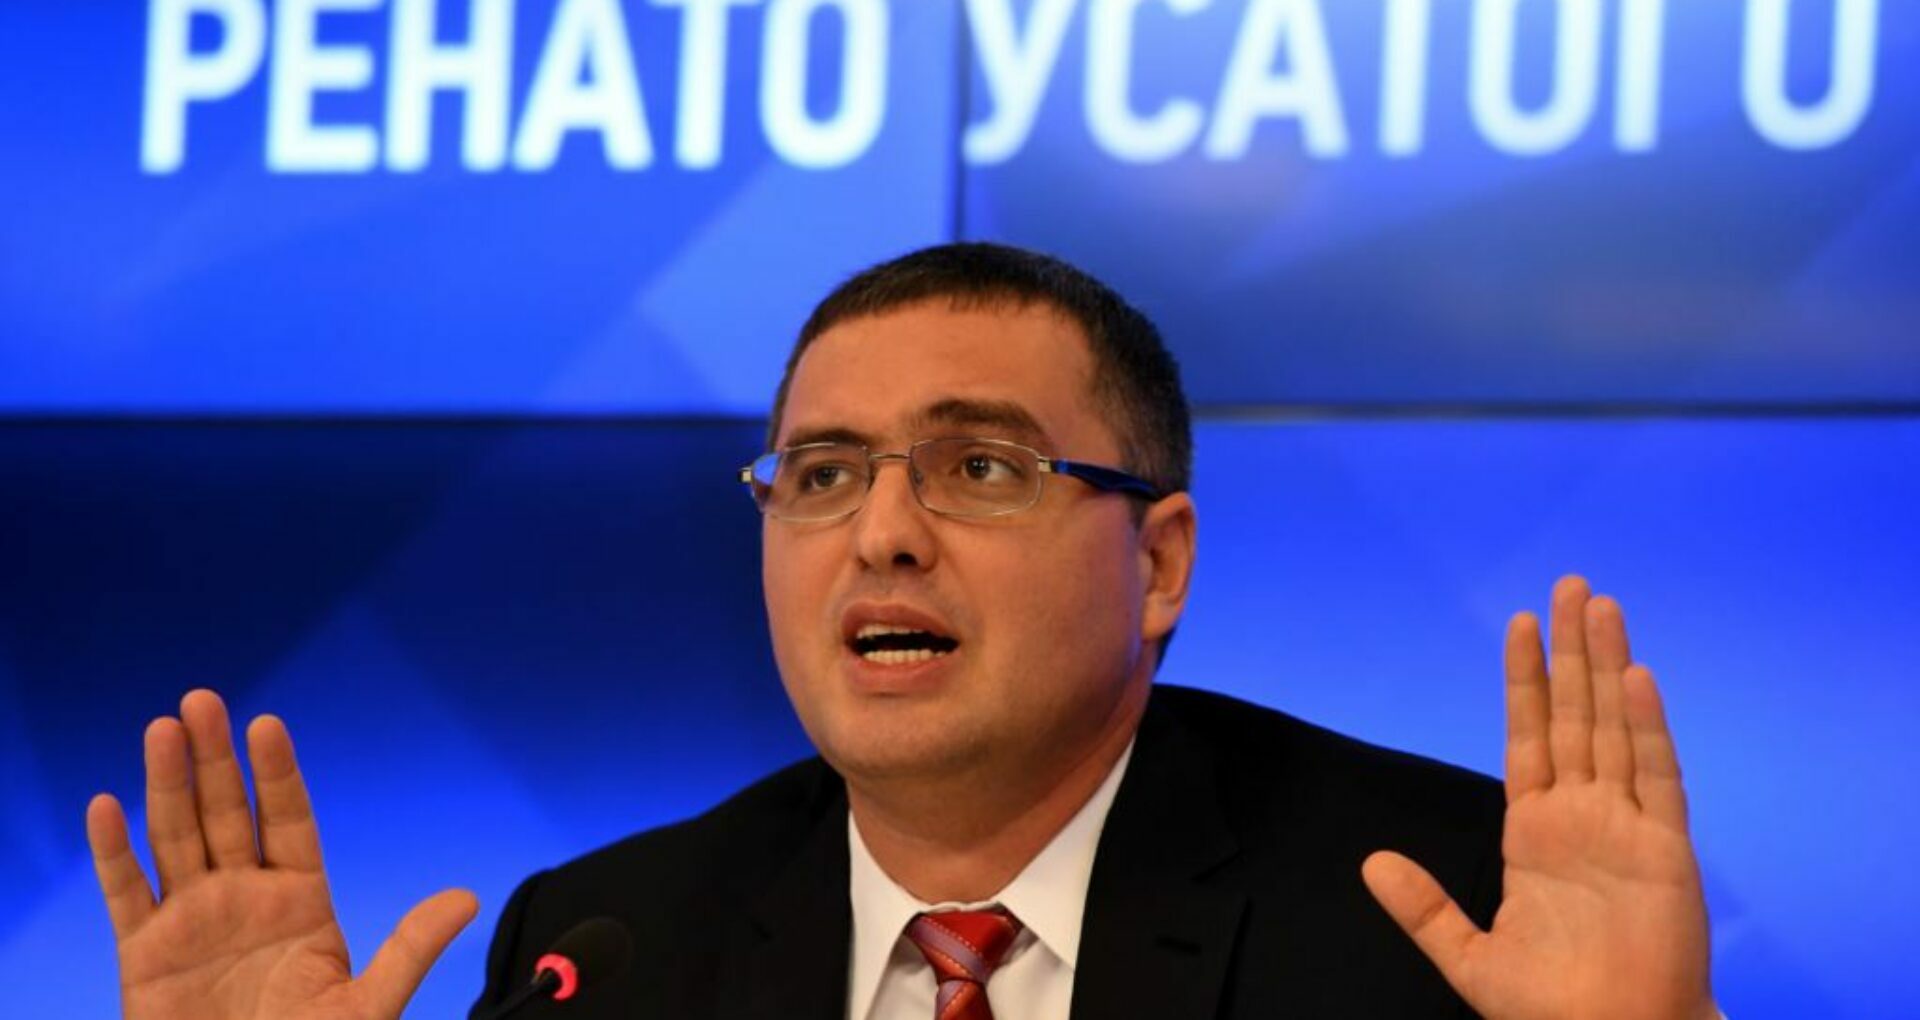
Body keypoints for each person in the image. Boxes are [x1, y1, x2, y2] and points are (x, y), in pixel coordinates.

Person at [87, 243, 1719, 1019]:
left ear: (1157, 564)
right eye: (820, 475)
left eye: (980, 468)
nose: (880, 532)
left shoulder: (1440, 916)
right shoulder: (608, 951)